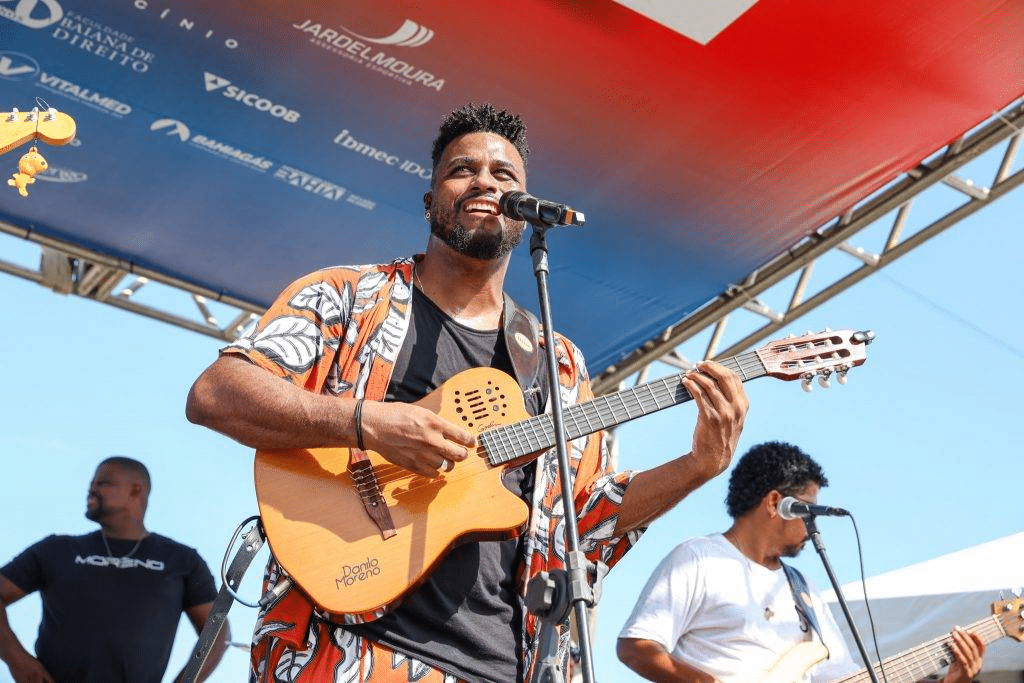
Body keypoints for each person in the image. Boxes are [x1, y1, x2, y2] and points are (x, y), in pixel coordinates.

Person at [185, 102, 750, 683]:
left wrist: (699, 465)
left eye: (504, 175)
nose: (485, 182)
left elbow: (584, 522)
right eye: (463, 169)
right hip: (348, 652)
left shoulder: (559, 363)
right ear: (429, 200)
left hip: (503, 666)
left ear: (524, 214)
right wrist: (369, 424)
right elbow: (217, 393)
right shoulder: (348, 298)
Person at [617, 441, 986, 683]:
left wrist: (948, 680)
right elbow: (636, 646)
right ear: (775, 503)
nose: (813, 525)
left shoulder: (802, 587)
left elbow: (840, 677)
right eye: (808, 509)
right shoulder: (699, 558)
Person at [0, 456, 228, 683]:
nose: (91, 489)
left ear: (135, 490)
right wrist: (16, 659)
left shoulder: (182, 560)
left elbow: (217, 631)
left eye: (103, 483)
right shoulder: (56, 549)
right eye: (92, 483)